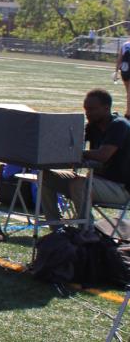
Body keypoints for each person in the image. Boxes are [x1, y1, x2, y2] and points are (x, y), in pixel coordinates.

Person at [39, 88, 130, 230]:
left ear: (106, 108)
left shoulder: (119, 125)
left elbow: (103, 155)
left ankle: (87, 231)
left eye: (92, 109)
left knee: (79, 183)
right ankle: (56, 228)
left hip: (121, 189)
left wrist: (78, 153)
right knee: (45, 177)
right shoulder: (92, 126)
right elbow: (71, 145)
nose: (88, 113)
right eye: (86, 109)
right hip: (95, 182)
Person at [117, 35, 130, 118]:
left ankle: (128, 112)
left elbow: (119, 59)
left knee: (128, 93)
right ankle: (128, 113)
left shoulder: (124, 45)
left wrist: (116, 71)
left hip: (124, 71)